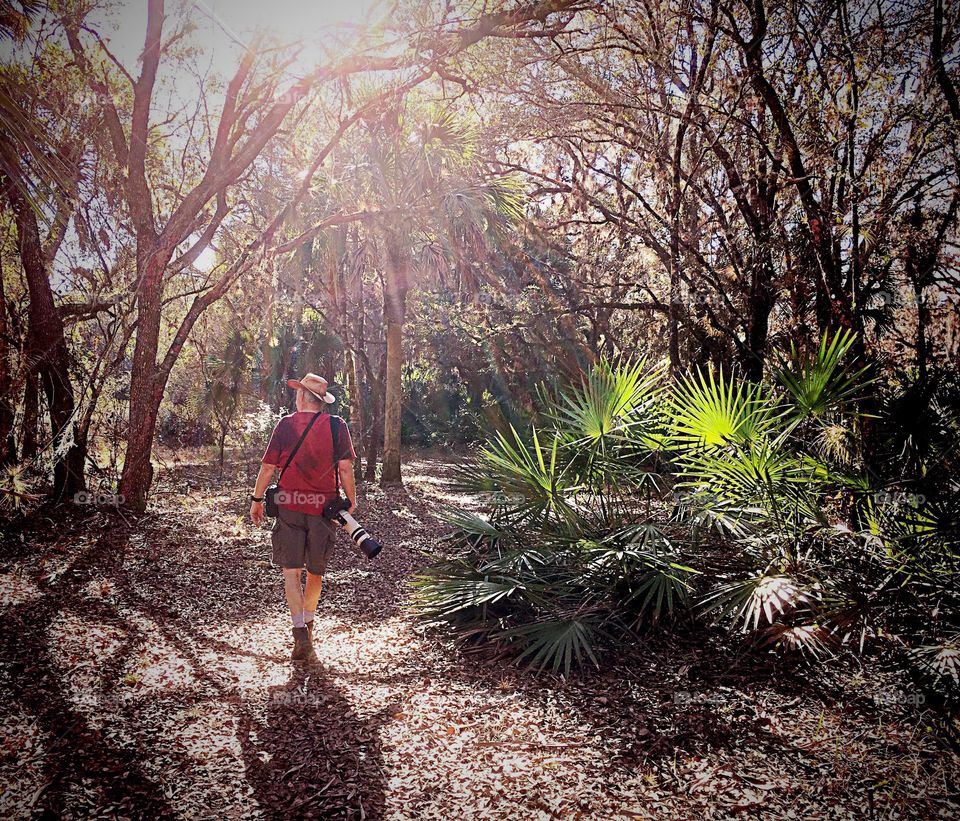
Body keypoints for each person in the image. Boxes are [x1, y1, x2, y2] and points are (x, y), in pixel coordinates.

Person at [250, 373, 357, 662]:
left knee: (291, 571)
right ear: (322, 402)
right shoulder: (337, 426)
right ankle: (309, 622)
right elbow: (345, 469)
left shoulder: (285, 424)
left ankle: (299, 631)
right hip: (324, 509)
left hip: (289, 507)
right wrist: (352, 498)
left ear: (300, 397)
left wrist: (257, 500)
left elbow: (269, 467)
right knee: (315, 572)